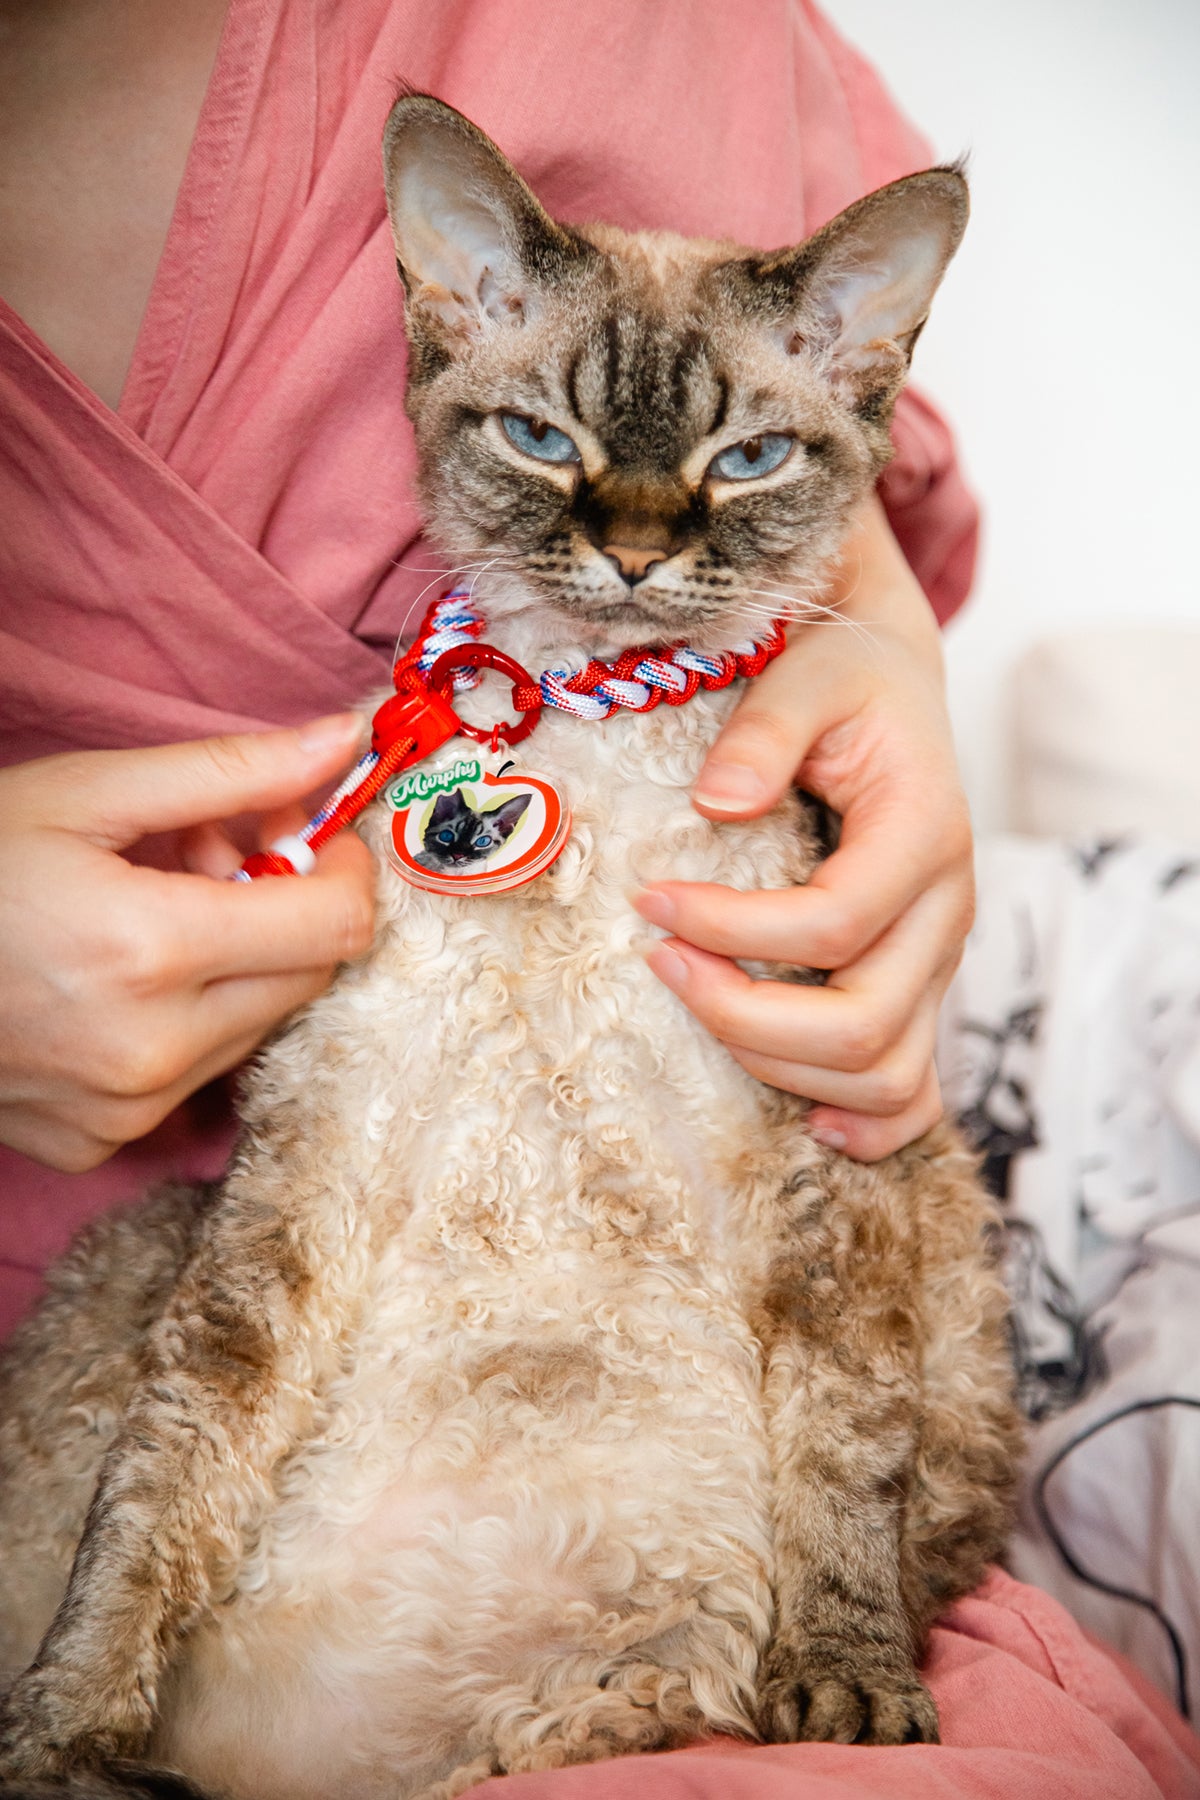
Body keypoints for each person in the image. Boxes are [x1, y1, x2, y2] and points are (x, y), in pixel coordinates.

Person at [3, 5, 1200, 1795]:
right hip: (130, 1269)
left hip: (662, 1364)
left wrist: (881, 666)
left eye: (712, 475)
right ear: (449, 304)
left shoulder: (650, 21)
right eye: (562, 459)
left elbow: (806, 488)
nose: (634, 538)